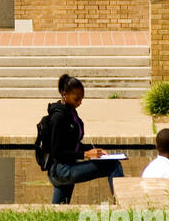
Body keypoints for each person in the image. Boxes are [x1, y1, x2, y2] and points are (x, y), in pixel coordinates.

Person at [45, 74, 123, 204]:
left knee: (59, 209)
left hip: (68, 165)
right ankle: (122, 206)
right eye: (76, 99)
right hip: (60, 169)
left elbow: (73, 144)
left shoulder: (70, 112)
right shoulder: (58, 117)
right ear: (64, 94)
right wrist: (86, 154)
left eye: (81, 99)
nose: (80, 102)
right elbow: (57, 152)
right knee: (113, 166)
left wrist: (93, 150)